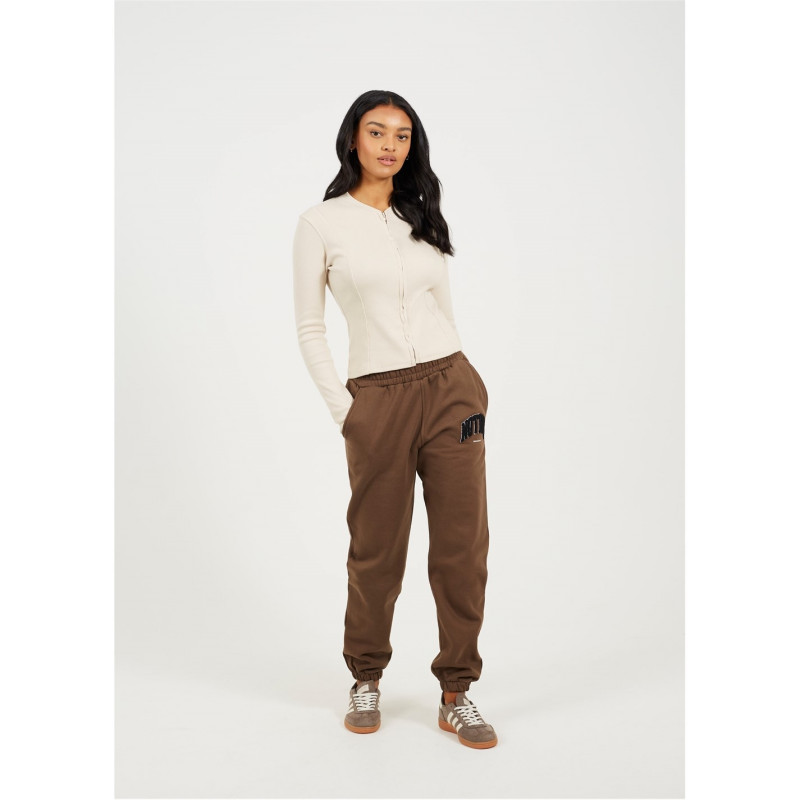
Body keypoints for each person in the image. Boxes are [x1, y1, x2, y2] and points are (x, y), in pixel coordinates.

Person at [292, 90, 497, 750]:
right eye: (376, 131)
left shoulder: (420, 213)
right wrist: (347, 412)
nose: (389, 145)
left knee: (463, 547)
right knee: (377, 550)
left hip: (452, 391)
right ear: (353, 138)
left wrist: (469, 385)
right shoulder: (321, 223)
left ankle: (457, 690)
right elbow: (309, 326)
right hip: (376, 401)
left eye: (402, 135)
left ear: (413, 146)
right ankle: (366, 676)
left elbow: (444, 307)